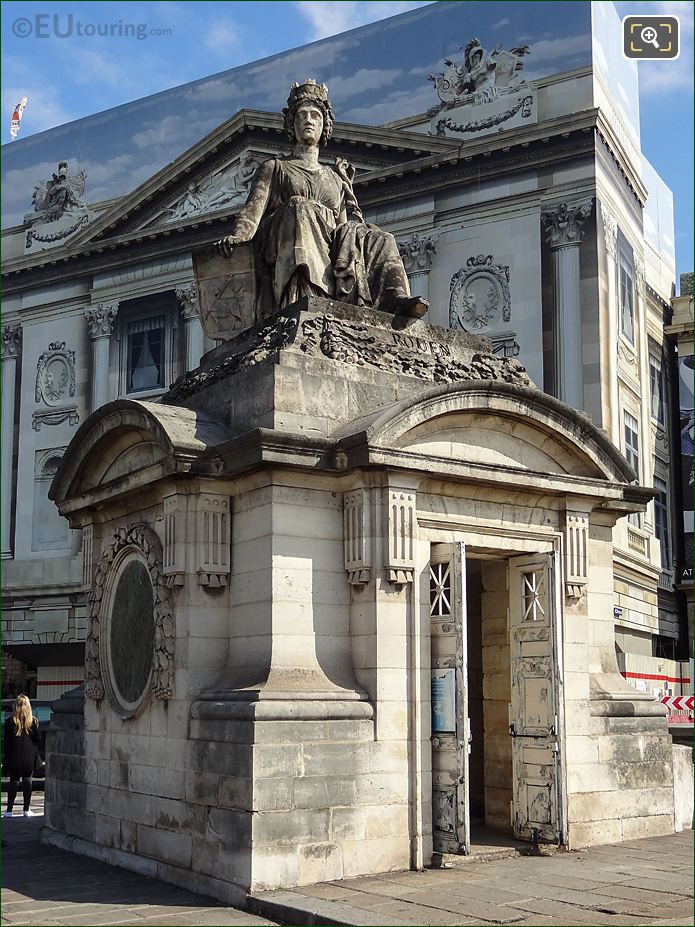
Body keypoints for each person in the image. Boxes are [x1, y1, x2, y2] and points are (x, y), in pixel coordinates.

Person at [215, 79, 428, 319]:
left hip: (325, 240)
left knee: (379, 237)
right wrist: (238, 237)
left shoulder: (334, 177)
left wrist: (351, 204)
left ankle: (394, 299)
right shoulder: (274, 167)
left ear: (324, 126)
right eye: (301, 116)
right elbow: (252, 213)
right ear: (291, 126)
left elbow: (342, 229)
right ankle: (305, 300)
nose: (308, 120)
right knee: (300, 206)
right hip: (283, 237)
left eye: (315, 116)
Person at [2, 694, 41, 818]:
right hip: (29, 756)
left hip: (14, 756)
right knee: (27, 781)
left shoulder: (9, 722)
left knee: (13, 781)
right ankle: (26, 808)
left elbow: (6, 741)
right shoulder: (33, 721)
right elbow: (37, 739)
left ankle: (9, 810)